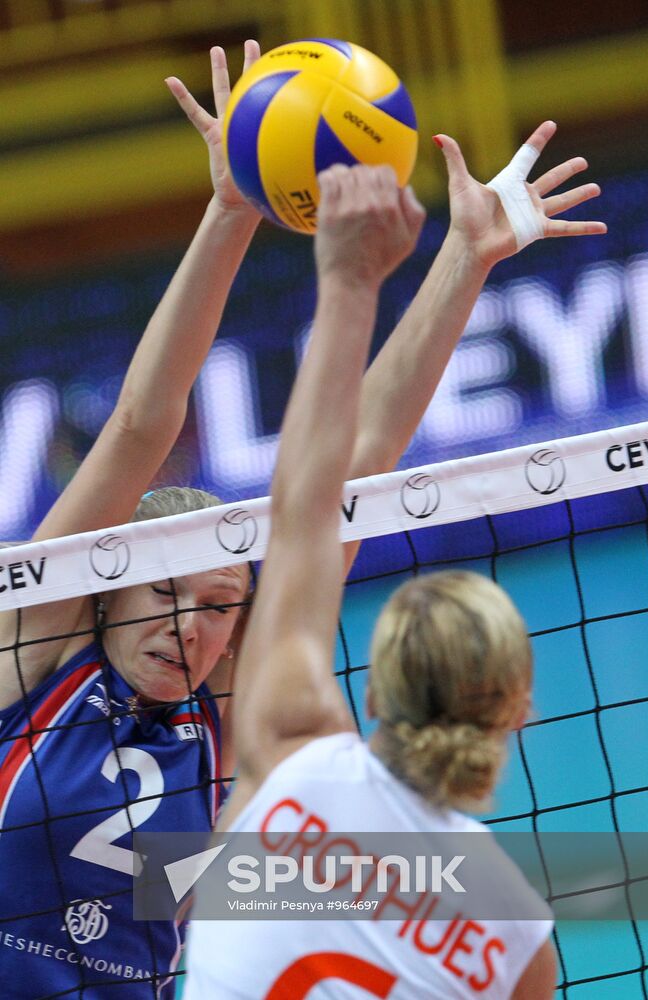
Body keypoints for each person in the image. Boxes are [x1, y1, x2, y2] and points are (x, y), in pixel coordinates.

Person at [0, 38, 604, 999]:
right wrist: (231, 208)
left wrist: (467, 256)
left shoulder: (225, 719)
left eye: (219, 606)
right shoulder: (33, 655)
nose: (190, 627)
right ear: (105, 592)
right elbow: (143, 424)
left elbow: (351, 472)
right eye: (165, 593)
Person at [183, 165, 559, 999]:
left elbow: (311, 504)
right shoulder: (519, 940)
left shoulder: (288, 744)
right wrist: (464, 257)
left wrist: (350, 278)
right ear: (517, 710)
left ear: (375, 692)